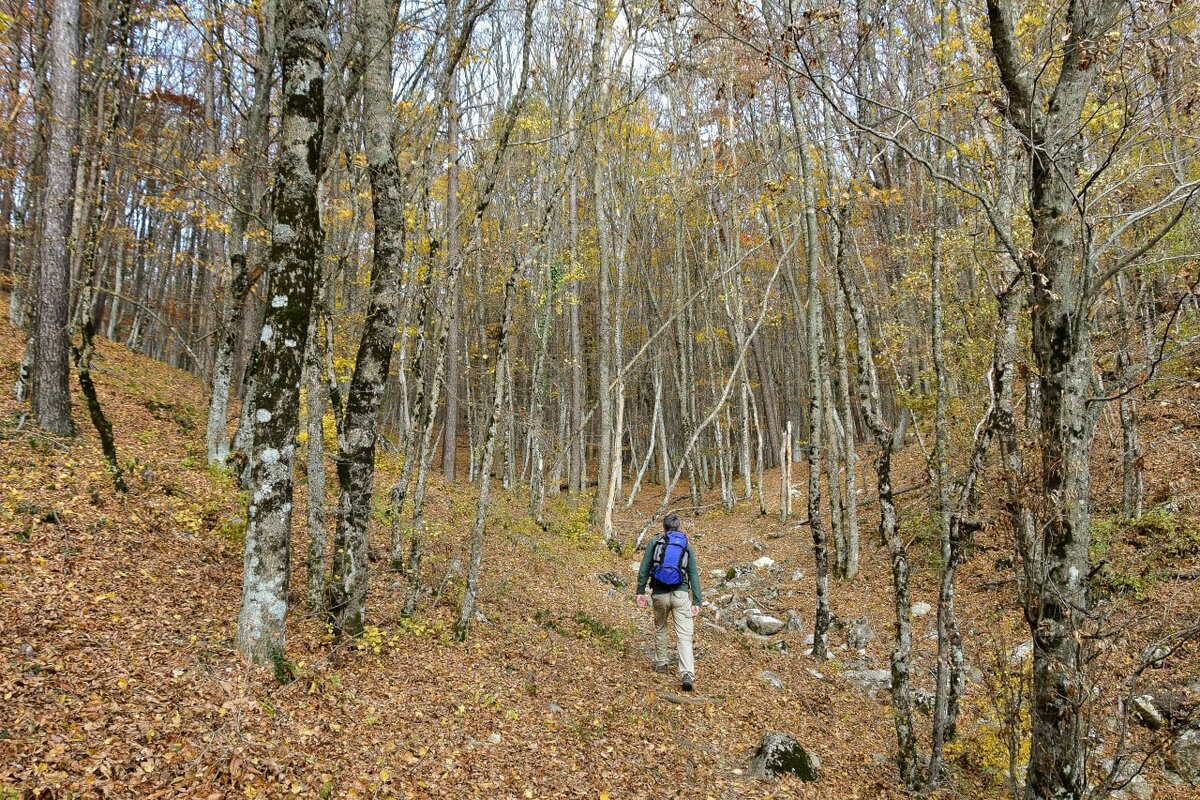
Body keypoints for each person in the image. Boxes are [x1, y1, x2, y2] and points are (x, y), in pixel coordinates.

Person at [636, 512, 702, 691]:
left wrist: (640, 591)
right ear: (678, 527)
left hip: (659, 594)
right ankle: (687, 672)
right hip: (680, 594)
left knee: (661, 628)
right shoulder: (685, 545)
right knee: (684, 636)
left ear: (664, 527)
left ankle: (662, 663)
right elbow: (693, 574)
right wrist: (697, 600)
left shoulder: (655, 542)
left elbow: (644, 568)